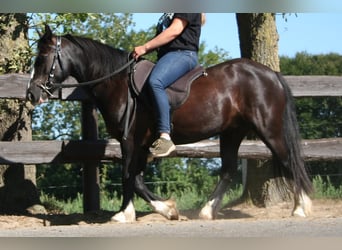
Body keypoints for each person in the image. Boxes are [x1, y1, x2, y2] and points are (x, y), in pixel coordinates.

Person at [133, 13, 204, 157]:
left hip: (183, 54)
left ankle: (165, 137)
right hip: (168, 56)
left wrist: (144, 48)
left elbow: (174, 30)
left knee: (156, 82)